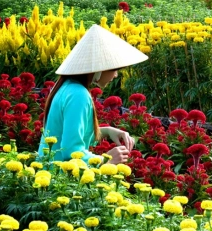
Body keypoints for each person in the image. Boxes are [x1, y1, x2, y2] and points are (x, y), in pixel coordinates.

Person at [38, 24, 148, 164]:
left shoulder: (67, 87)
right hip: (59, 180)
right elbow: (71, 153)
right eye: (114, 69)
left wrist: (107, 131)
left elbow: (69, 135)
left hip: (47, 174)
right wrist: (106, 159)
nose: (115, 75)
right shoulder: (79, 95)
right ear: (99, 68)